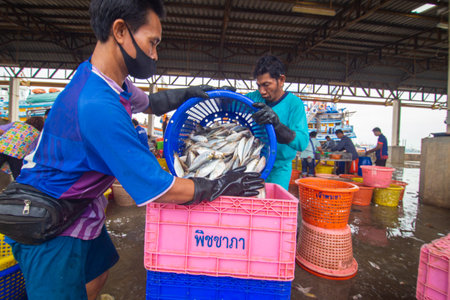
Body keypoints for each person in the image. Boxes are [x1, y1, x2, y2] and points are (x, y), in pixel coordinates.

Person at [4, 1, 264, 299]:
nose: (154, 54)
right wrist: (219, 184)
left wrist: (185, 95)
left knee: (97, 273)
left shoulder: (109, 81)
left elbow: (151, 103)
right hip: (49, 221)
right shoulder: (97, 106)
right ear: (120, 31)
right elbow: (159, 187)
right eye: (152, 43)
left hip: (80, 207)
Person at [246, 55, 309, 190]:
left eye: (266, 85)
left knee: (273, 206)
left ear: (281, 80)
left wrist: (277, 125)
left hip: (278, 170)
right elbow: (231, 103)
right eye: (258, 85)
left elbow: (302, 142)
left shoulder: (294, 104)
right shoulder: (254, 98)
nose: (262, 91)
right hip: (251, 165)